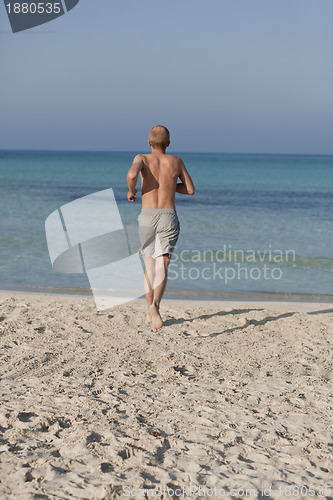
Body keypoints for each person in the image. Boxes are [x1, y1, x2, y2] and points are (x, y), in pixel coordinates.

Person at [126, 125, 195, 332]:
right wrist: (169, 184)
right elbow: (190, 190)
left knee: (149, 265)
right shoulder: (176, 161)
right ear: (168, 143)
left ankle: (150, 308)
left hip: (147, 216)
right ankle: (156, 306)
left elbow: (131, 175)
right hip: (168, 216)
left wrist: (132, 190)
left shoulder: (142, 158)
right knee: (162, 265)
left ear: (149, 143)